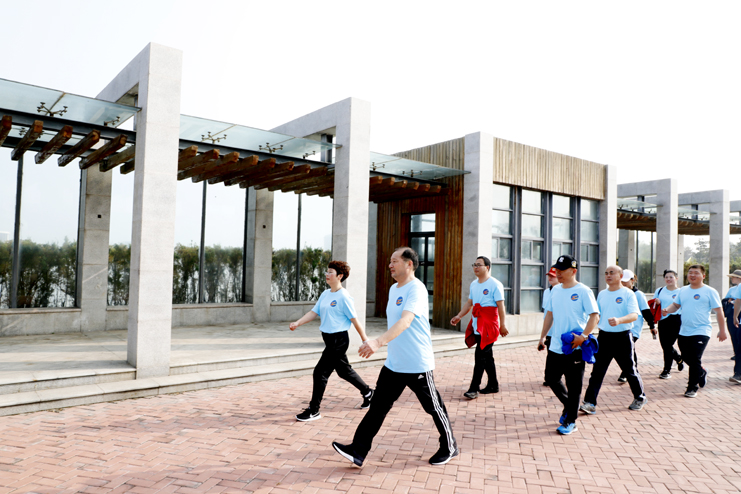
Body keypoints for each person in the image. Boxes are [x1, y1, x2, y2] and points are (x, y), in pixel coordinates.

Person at [332, 247, 458, 467]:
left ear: (409, 264)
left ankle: (450, 446)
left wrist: (377, 342)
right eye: (389, 261)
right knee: (378, 407)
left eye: (395, 261)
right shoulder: (394, 289)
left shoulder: (416, 289)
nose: (390, 265)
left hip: (416, 363)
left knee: (433, 407)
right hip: (394, 363)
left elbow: (406, 321)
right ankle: (358, 450)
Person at [289, 260, 373, 422]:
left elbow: (355, 320)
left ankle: (314, 410)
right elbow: (314, 312)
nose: (327, 275)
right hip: (328, 339)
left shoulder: (344, 296)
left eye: (330, 272)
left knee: (320, 372)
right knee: (344, 371)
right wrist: (297, 323)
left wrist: (365, 340)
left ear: (340, 276)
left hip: (338, 340)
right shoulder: (326, 294)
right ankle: (368, 393)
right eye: (326, 272)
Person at [537, 255, 599, 435]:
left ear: (573, 271)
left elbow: (595, 316)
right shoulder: (555, 290)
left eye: (562, 270)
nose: (558, 273)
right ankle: (570, 405)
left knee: (574, 386)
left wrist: (584, 337)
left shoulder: (583, 291)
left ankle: (571, 420)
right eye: (557, 269)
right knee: (551, 378)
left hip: (575, 347)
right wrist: (542, 337)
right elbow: (549, 315)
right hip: (556, 345)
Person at [580, 265, 647, 415]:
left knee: (630, 370)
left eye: (612, 273)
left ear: (621, 276)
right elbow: (596, 315)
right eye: (606, 273)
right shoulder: (602, 294)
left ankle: (640, 397)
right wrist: (586, 332)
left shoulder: (628, 293)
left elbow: (634, 315)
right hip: (604, 337)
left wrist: (619, 320)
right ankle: (590, 403)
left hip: (623, 337)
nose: (608, 275)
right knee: (597, 372)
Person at [663, 264, 728, 398]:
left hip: (702, 330)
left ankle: (692, 387)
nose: (692, 275)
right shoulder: (683, 290)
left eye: (696, 273)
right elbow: (676, 305)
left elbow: (719, 311)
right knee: (686, 357)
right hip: (684, 330)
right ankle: (701, 372)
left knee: (694, 358)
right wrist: (667, 310)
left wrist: (722, 330)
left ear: (703, 276)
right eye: (690, 272)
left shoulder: (710, 291)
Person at [450, 256, 509, 399]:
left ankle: (473, 388)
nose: (476, 267)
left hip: (489, 326)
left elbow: (501, 307)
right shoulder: (474, 284)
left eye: (479, 265)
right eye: (474, 264)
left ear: (487, 267)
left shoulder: (495, 284)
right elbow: (469, 303)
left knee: (480, 357)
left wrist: (502, 325)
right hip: (477, 324)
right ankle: (493, 385)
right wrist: (459, 316)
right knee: (487, 357)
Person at [618, 269, 656, 383]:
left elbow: (646, 311)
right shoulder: (619, 292)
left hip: (634, 328)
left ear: (632, 280)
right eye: (621, 280)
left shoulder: (638, 294)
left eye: (625, 281)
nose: (623, 283)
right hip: (621, 327)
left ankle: (627, 372)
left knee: (628, 349)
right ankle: (630, 371)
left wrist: (652, 326)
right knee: (625, 350)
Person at [654, 270, 684, 379]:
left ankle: (666, 370)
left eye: (671, 277)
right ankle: (679, 358)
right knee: (665, 346)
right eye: (666, 277)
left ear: (676, 278)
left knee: (668, 346)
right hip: (662, 320)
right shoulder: (659, 290)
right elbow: (653, 305)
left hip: (676, 319)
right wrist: (656, 301)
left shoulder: (681, 291)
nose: (668, 279)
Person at [542, 267, 560, 386]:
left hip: (559, 330)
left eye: (553, 276)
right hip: (549, 331)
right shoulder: (546, 292)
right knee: (550, 354)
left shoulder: (562, 291)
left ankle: (556, 377)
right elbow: (547, 312)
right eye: (549, 275)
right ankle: (549, 378)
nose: (550, 278)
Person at [724, 270, 741, 377]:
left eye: (733, 277)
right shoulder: (733, 289)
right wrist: (734, 317)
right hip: (733, 314)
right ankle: (738, 373)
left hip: (738, 314)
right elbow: (728, 300)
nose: (732, 279)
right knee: (735, 337)